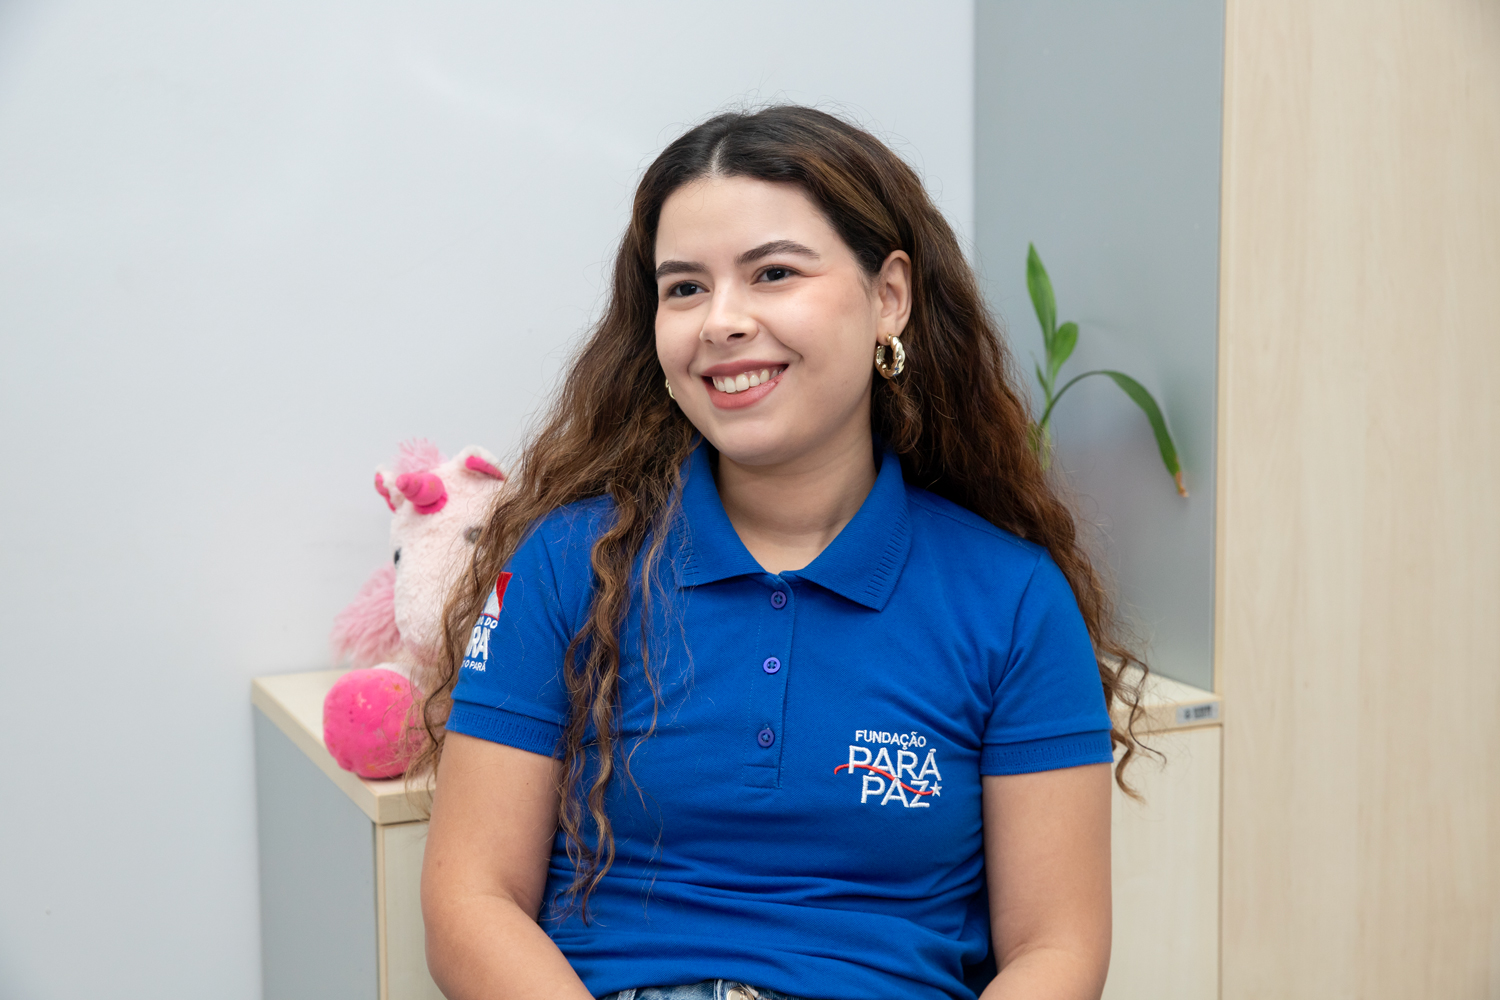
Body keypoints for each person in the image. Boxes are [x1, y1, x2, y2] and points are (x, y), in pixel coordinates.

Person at [416, 105, 1144, 1000]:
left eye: (773, 273)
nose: (721, 321)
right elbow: (469, 900)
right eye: (685, 288)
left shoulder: (1015, 599)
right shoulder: (567, 563)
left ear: (889, 297)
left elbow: (1056, 949)